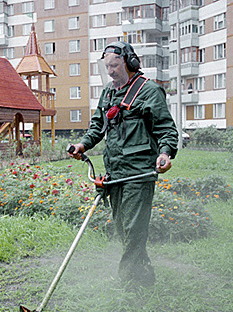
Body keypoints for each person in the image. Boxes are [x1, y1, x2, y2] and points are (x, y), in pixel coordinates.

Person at [69, 42, 178, 288]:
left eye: (115, 65)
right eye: (106, 66)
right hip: (115, 171)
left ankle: (127, 284)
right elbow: (98, 126)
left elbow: (166, 129)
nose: (110, 71)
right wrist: (82, 146)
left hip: (139, 173)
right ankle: (144, 276)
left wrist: (165, 153)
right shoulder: (108, 92)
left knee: (134, 229)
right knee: (124, 229)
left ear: (129, 62)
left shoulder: (148, 90)